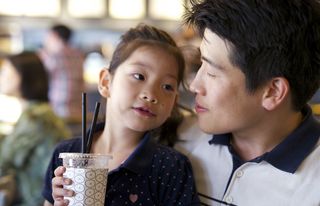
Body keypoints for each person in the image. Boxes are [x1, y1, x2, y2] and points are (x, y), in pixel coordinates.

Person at [175, 0, 320, 205]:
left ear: (272, 92)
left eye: (212, 72)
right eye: (200, 64)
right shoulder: (177, 139)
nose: (194, 86)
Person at [42, 24, 200, 206]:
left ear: (174, 101)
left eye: (167, 87)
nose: (151, 95)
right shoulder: (66, 154)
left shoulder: (170, 168)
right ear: (106, 82)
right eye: (139, 76)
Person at [0, 51, 71, 205]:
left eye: (5, 72)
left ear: (21, 76)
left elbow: (3, 163)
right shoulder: (41, 113)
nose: (1, 77)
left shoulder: (36, 118)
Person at [38, 24, 85, 123]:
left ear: (54, 35)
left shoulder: (52, 56)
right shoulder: (79, 54)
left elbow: (38, 78)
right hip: (79, 111)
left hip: (58, 112)